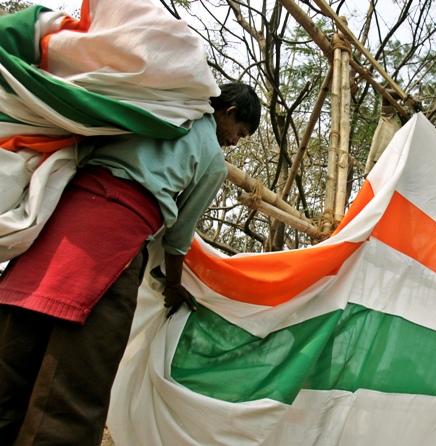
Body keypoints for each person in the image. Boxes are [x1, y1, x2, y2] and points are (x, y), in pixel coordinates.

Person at [0, 82, 261, 445]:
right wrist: (171, 285)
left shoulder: (157, 106)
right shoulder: (212, 161)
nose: (235, 141)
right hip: (112, 251)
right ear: (229, 112)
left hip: (50, 232)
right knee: (70, 397)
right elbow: (179, 236)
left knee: (8, 365)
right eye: (240, 132)